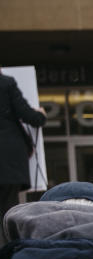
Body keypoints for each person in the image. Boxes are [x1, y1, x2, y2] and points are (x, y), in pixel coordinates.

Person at [0, 68, 46, 225]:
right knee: (8, 209)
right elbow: (27, 115)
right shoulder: (6, 83)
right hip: (8, 159)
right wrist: (40, 115)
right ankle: (8, 247)